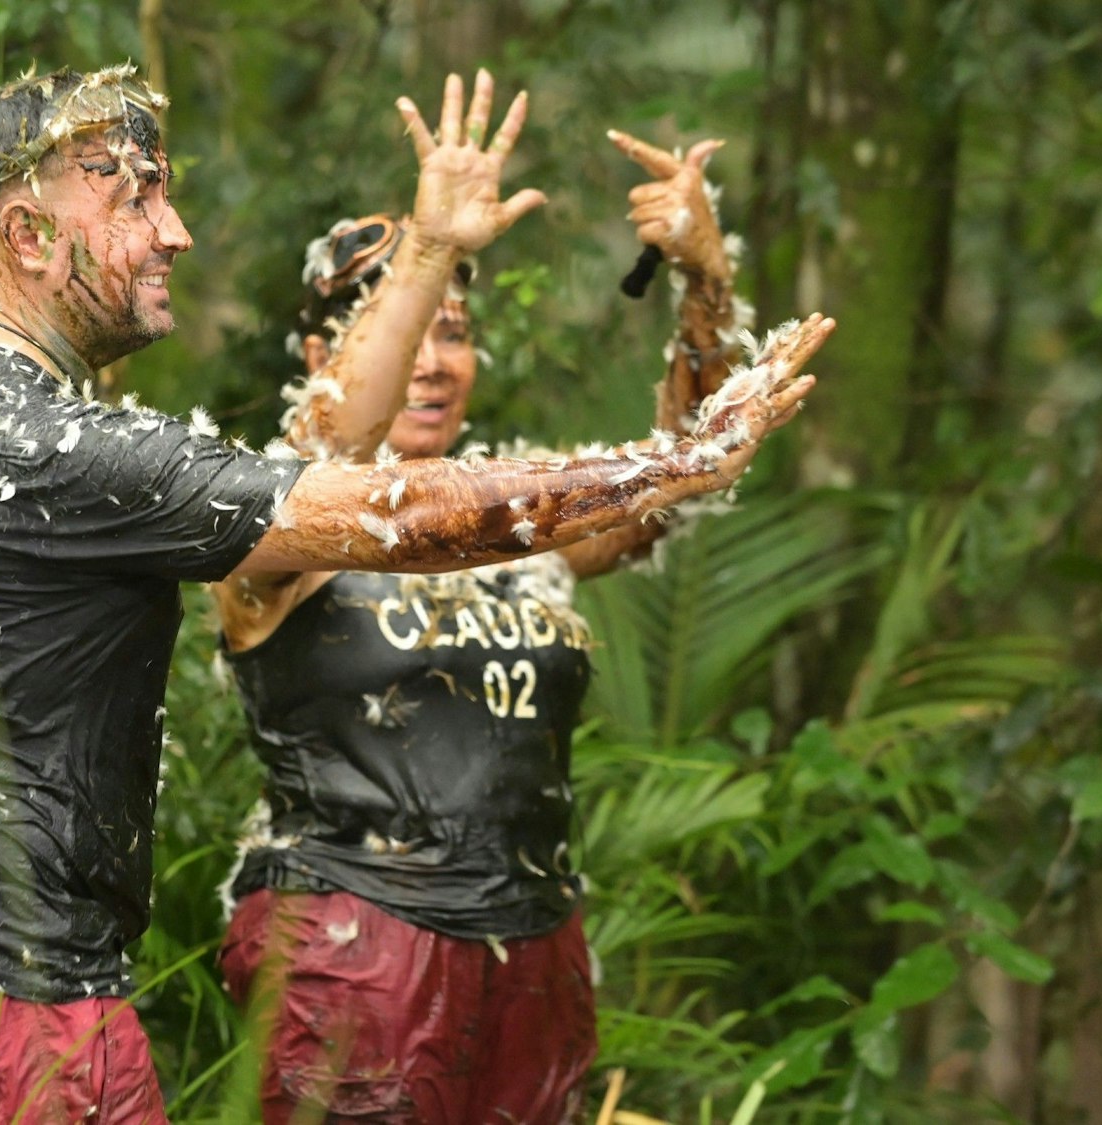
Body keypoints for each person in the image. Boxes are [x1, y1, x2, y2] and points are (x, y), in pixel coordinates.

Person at [0, 64, 829, 1124]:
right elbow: (383, 513)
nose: (175, 232)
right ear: (28, 234)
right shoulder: (64, 451)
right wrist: (661, 460)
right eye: (135, 201)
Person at [208, 132, 757, 1124]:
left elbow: (683, 474)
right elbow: (327, 449)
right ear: (323, 359)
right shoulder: (273, 518)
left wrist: (705, 281)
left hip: (532, 946)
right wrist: (427, 250)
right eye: (402, 328)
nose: (428, 363)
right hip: (351, 940)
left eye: (452, 331)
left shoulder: (523, 514)